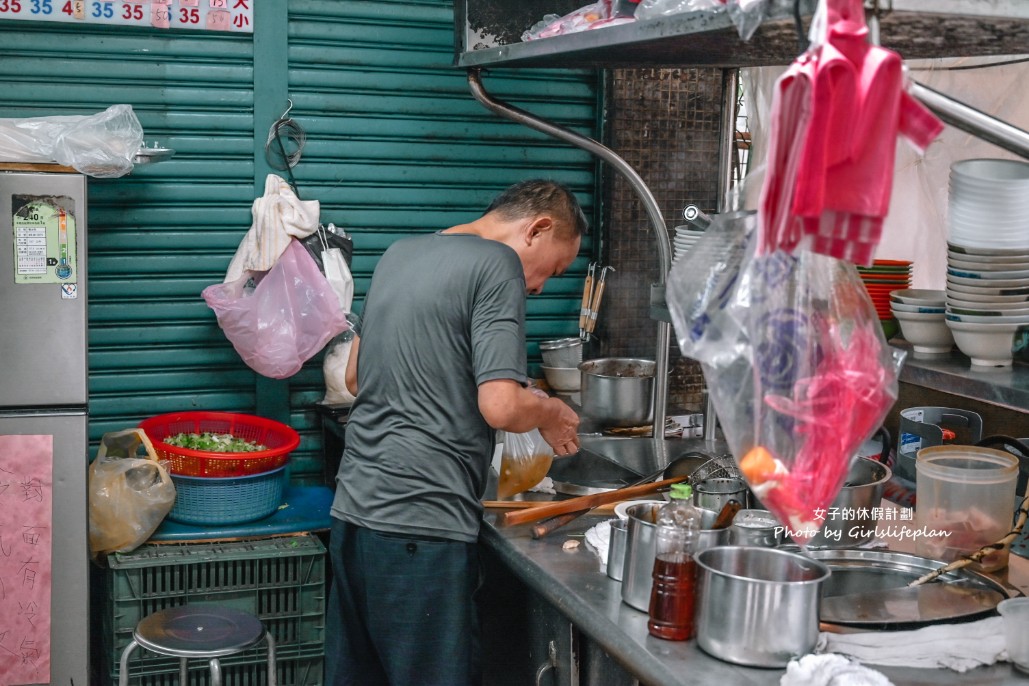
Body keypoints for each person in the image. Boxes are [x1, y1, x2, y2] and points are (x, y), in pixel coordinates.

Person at [326, 179, 586, 686]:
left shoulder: (400, 254)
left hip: (354, 514)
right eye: (553, 269)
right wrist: (552, 411)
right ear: (538, 228)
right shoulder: (498, 264)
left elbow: (355, 376)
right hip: (422, 524)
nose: (539, 288)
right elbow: (501, 405)